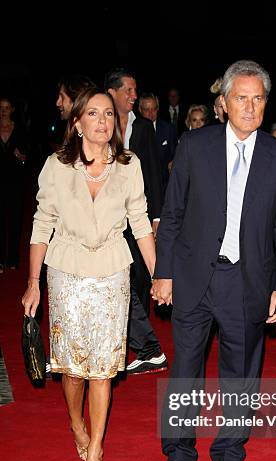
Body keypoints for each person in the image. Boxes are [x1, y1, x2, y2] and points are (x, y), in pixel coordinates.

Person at [152, 60, 276, 461]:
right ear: (224, 102)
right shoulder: (194, 145)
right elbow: (173, 213)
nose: (250, 107)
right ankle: (178, 455)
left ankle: (229, 457)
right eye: (242, 97)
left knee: (241, 376)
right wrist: (164, 273)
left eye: (258, 99)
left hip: (247, 281)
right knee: (185, 372)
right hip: (194, 276)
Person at [21, 87, 155, 461]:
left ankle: (96, 447)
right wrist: (32, 284)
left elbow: (141, 222)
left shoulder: (130, 166)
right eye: (93, 115)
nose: (102, 122)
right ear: (76, 123)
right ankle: (76, 420)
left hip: (113, 271)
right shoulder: (56, 167)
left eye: (109, 115)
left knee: (103, 368)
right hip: (66, 271)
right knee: (73, 366)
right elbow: (42, 224)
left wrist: (160, 274)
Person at [104, 68, 167, 375]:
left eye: (135, 91)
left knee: (139, 278)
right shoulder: (100, 122)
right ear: (113, 91)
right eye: (128, 90)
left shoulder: (143, 127)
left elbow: (154, 171)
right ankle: (136, 344)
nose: (134, 96)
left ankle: (140, 345)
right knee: (118, 280)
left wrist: (157, 217)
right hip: (109, 217)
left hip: (138, 215)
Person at [0, 95, 28, 272]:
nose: (3, 111)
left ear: (12, 110)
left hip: (16, 181)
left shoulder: (20, 130)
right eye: (0, 107)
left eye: (6, 107)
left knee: (15, 220)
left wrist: (22, 158)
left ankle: (12, 259)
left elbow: (28, 157)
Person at [138, 92, 177, 190]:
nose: (151, 114)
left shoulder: (168, 129)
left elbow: (174, 156)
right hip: (141, 185)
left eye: (154, 109)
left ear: (158, 108)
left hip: (163, 185)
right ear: (140, 110)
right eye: (147, 110)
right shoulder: (133, 130)